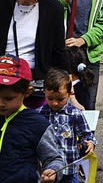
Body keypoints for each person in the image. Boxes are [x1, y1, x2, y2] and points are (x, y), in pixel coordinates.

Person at [0, 0, 68, 108]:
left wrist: (67, 84)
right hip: (3, 79)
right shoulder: (2, 1)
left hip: (35, 82)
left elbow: (59, 51)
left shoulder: (52, 8)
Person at [0, 54, 64, 183]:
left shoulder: (37, 124)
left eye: (8, 98)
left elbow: (53, 159)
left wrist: (52, 171)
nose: (1, 103)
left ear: (27, 92)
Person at [36, 68, 97, 183]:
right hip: (47, 171)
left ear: (69, 94)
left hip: (68, 169)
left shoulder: (74, 113)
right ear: (44, 92)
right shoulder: (39, 114)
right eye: (50, 98)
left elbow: (86, 134)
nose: (55, 103)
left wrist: (89, 142)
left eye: (60, 99)